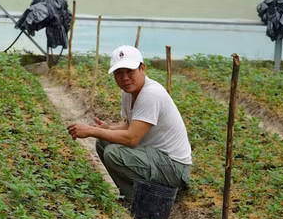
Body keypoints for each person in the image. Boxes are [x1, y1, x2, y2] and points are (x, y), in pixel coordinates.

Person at [67, 45, 192, 201]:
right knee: (103, 142)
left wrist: (91, 131)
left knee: (113, 153)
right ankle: (131, 195)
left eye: (130, 71)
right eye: (119, 73)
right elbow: (130, 126)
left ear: (142, 68)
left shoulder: (150, 94)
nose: (125, 78)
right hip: (155, 157)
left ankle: (144, 200)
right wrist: (109, 129)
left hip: (174, 168)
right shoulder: (128, 92)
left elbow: (132, 138)